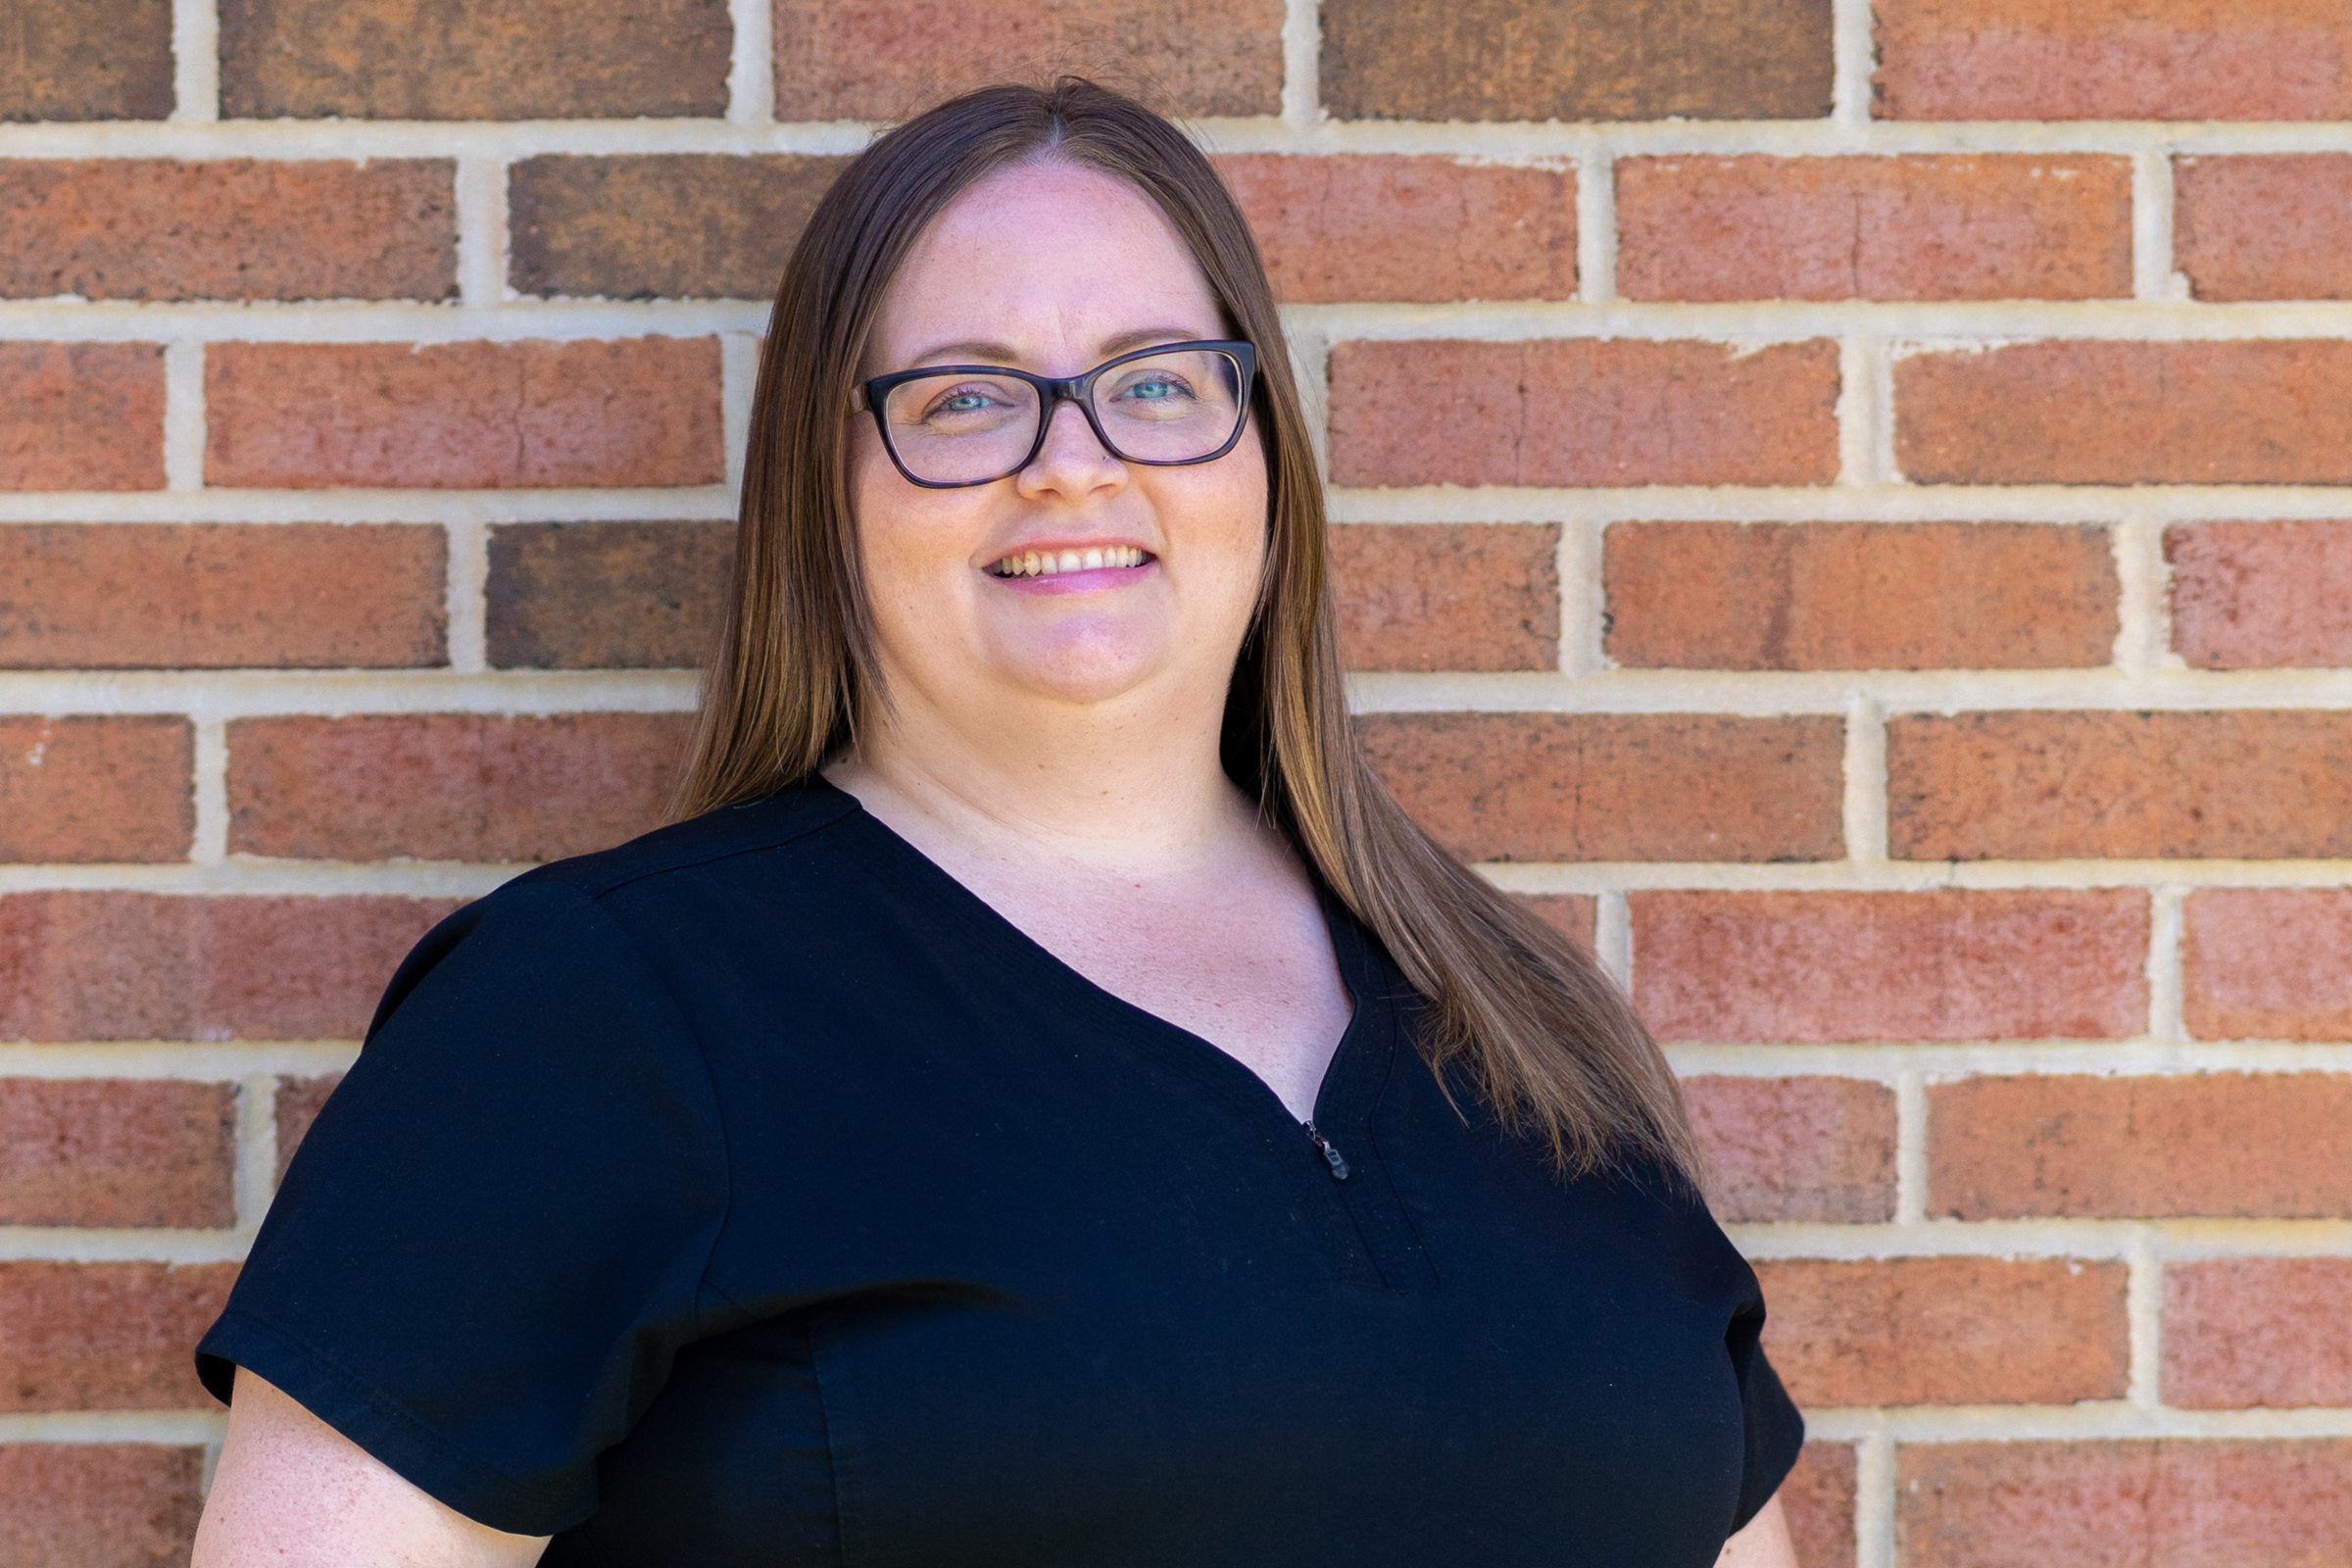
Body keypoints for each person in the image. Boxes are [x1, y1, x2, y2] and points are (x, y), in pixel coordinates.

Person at [191, 78, 1802, 1567]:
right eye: (965, 403)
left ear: (1262, 459)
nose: (1074, 465)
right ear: (828, 487)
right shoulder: (600, 1007)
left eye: (1157, 384)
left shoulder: (1520, 1027)